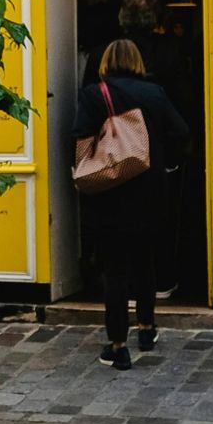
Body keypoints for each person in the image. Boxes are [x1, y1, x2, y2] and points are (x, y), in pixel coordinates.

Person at [73, 37, 188, 366]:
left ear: (106, 62)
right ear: (138, 60)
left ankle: (117, 344)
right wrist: (165, 162)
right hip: (150, 190)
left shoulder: (95, 94)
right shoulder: (154, 93)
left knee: (116, 269)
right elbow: (180, 131)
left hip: (109, 191)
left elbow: (80, 135)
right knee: (144, 263)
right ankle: (147, 327)